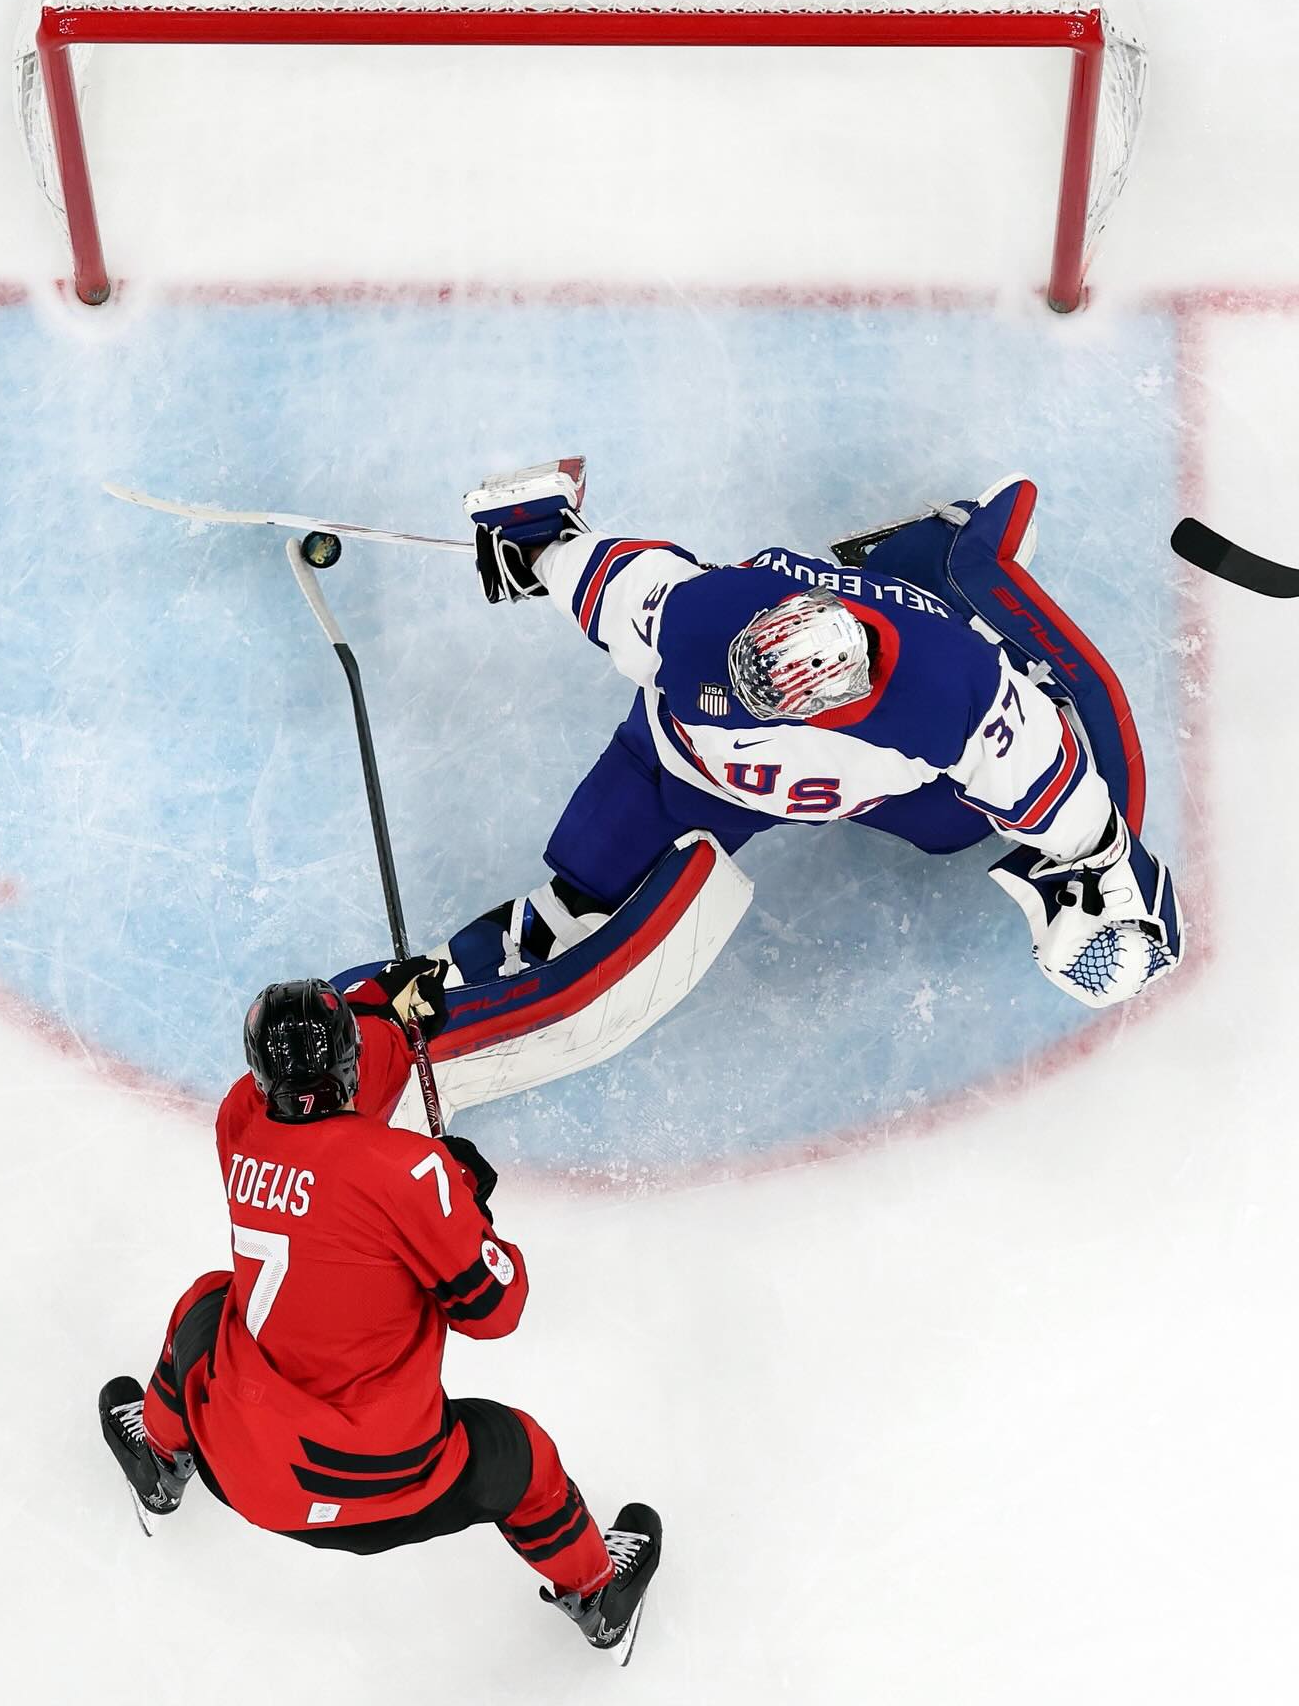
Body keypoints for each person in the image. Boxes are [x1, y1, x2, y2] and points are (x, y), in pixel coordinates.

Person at [439, 460, 1182, 1011]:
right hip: (686, 774)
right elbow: (594, 570)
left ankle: (945, 571)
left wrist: (1106, 866)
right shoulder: (684, 615)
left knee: (958, 831)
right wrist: (538, 539)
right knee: (589, 895)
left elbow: (1047, 775)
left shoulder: (947, 693)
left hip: (879, 782)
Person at [97, 963, 661, 1663]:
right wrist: (469, 1205)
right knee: (526, 1459)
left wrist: (379, 1008)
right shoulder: (412, 1174)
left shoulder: (239, 1125)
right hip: (394, 1483)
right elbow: (494, 1309)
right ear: (349, 1060)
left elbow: (326, 1128)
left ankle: (161, 1457)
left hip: (243, 1468)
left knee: (207, 1303)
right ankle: (597, 1597)